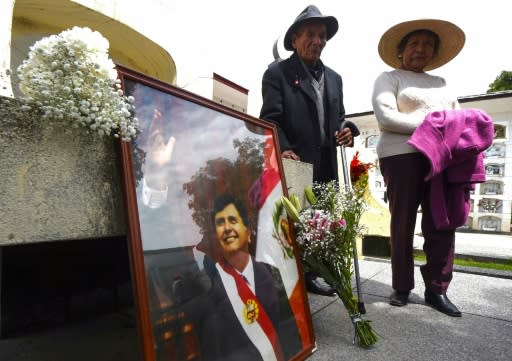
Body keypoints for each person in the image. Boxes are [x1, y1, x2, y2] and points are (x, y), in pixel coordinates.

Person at [259, 4, 359, 296]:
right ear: (294, 39)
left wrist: (347, 128)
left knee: (320, 223)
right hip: (296, 162)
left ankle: (313, 274)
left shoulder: (335, 78)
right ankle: (289, 277)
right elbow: (270, 119)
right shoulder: (277, 73)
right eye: (311, 34)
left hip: (326, 164)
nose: (318, 41)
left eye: (323, 36)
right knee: (293, 222)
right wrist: (285, 148)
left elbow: (339, 115)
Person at [371, 19, 467, 316]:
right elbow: (387, 118)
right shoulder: (389, 77)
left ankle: (437, 288)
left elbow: (459, 120)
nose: (421, 49)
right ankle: (401, 285)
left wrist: (443, 134)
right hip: (401, 156)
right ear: (401, 50)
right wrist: (435, 127)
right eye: (414, 43)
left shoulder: (442, 84)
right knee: (403, 220)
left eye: (428, 44)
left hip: (441, 157)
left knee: (442, 222)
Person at [205, 194, 302, 361]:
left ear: (248, 233)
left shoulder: (272, 273)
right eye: (220, 223)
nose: (227, 228)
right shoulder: (213, 287)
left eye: (232, 220)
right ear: (217, 239)